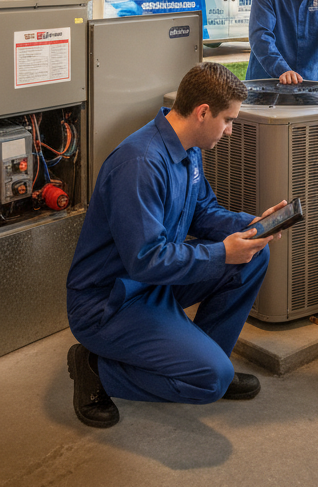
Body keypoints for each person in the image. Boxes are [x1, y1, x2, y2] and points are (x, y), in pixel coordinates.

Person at [65, 63, 287, 428]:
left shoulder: (189, 149)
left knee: (252, 257)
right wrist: (221, 253)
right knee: (210, 381)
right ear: (203, 112)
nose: (229, 131)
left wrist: (250, 226)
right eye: (228, 120)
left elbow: (203, 212)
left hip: (154, 284)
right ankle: (97, 369)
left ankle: (203, 356)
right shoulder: (139, 163)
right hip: (110, 303)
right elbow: (146, 259)